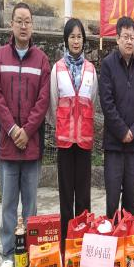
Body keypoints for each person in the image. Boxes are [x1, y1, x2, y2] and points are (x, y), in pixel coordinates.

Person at [0, 2, 50, 267]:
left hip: (32, 144)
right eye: (19, 21)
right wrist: (14, 130)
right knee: (8, 205)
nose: (24, 26)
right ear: (11, 24)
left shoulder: (41, 60)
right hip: (8, 145)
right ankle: (7, 254)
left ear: (33, 26)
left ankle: (31, 253)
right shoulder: (0, 57)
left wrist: (27, 130)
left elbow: (43, 100)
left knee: (31, 207)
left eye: (28, 21)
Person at [48, 18, 98, 247]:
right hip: (65, 142)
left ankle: (83, 242)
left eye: (79, 37)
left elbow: (92, 101)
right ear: (66, 40)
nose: (76, 41)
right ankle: (66, 244)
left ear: (83, 40)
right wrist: (62, 126)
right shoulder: (57, 69)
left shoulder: (91, 70)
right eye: (72, 37)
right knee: (66, 195)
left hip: (84, 142)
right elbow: (53, 103)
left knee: (84, 196)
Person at [99, 16, 134, 218]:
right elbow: (107, 103)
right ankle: (113, 234)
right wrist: (122, 131)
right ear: (117, 38)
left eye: (132, 37)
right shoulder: (108, 65)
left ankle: (128, 235)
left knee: (130, 200)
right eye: (125, 37)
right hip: (114, 145)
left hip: (133, 146)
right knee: (112, 201)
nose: (129, 41)